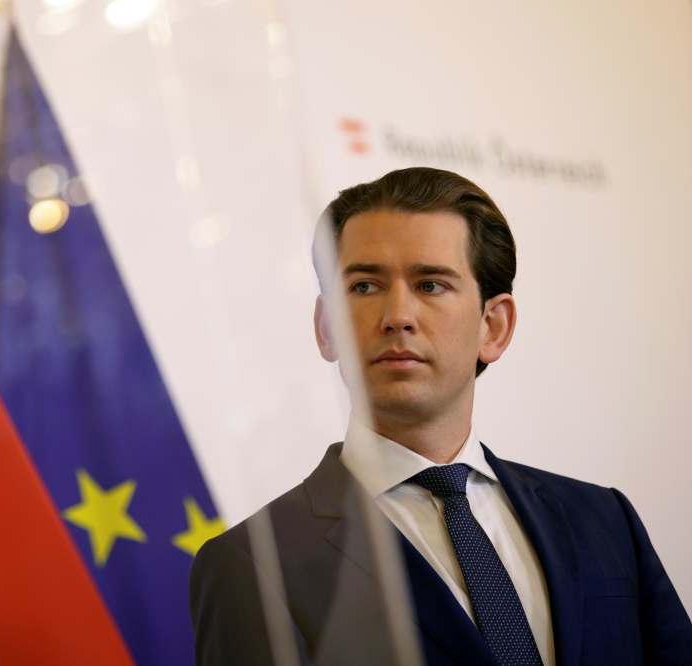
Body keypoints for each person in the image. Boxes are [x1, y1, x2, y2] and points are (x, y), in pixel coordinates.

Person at [188, 168, 692, 665]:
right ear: (326, 327)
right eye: (364, 286)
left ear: (493, 327)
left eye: (430, 285)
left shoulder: (606, 521)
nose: (397, 315)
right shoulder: (252, 566)